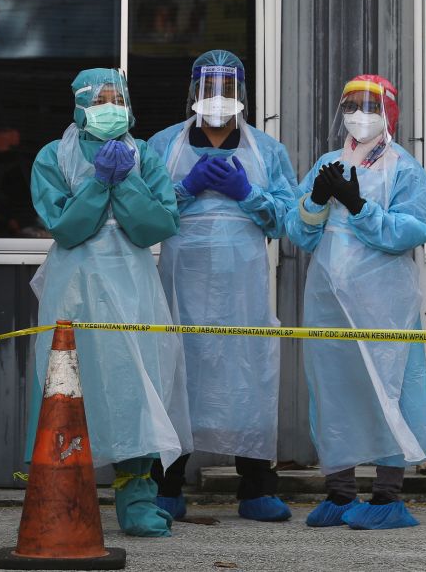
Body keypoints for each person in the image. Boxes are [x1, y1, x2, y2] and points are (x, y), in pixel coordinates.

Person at [28, 68, 193, 537]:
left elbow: (158, 226)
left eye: (116, 96)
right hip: (75, 288)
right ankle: (61, 496)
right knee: (69, 383)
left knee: (136, 386)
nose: (109, 105)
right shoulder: (52, 157)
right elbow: (66, 227)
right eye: (99, 97)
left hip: (134, 285)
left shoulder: (144, 157)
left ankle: (137, 498)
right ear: (79, 104)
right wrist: (100, 184)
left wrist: (126, 183)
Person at [285, 74, 426, 530]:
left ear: (389, 113)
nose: (359, 114)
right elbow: (299, 233)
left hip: (383, 301)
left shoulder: (404, 170)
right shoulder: (328, 163)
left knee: (386, 388)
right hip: (327, 299)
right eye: (351, 105)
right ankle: (339, 493)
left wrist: (359, 207)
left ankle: (386, 496)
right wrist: (316, 200)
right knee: (333, 390)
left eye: (370, 105)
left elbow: (412, 230)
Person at [148, 50, 297, 522]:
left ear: (243, 93)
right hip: (180, 286)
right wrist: (185, 188)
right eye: (209, 87)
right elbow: (143, 214)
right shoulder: (162, 145)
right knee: (177, 374)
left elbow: (288, 218)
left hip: (244, 290)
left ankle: (256, 488)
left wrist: (248, 194)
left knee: (247, 375)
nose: (217, 97)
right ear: (193, 91)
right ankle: (166, 487)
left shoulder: (267, 151)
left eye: (228, 88)